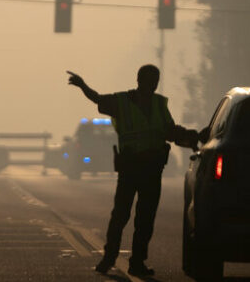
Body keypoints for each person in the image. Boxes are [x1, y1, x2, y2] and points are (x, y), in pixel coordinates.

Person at [67, 65, 200, 277]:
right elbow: (98, 99)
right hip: (130, 170)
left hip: (152, 171)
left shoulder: (158, 104)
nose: (152, 85)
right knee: (120, 216)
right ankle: (109, 257)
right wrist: (83, 85)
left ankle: (137, 262)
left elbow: (170, 131)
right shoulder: (122, 102)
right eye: (149, 81)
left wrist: (193, 137)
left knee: (145, 220)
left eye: (155, 81)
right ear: (139, 80)